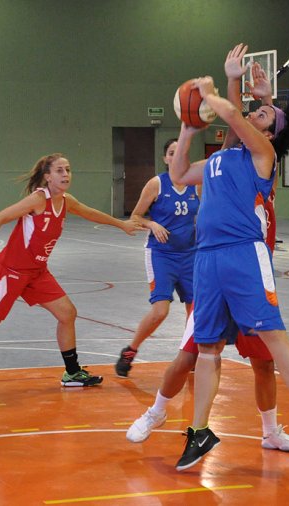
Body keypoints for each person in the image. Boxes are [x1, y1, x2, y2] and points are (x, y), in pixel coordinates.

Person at [169, 43, 289, 471]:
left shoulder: (264, 155)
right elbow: (180, 174)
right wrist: (187, 127)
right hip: (207, 258)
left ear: (270, 133)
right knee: (207, 349)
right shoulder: (222, 159)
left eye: (265, 117)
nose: (257, 114)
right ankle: (199, 431)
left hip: (243, 254)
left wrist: (213, 90)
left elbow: (236, 116)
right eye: (258, 112)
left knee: (273, 337)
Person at [126, 175, 289, 453]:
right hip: (217, 282)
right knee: (188, 357)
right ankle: (156, 412)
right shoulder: (226, 192)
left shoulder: (265, 192)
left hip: (251, 287)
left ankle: (270, 433)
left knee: (264, 364)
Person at [0, 153, 142, 390]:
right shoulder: (38, 200)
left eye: (68, 169)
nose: (66, 174)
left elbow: (91, 213)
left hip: (37, 272)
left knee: (67, 313)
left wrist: (122, 224)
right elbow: (0, 217)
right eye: (59, 170)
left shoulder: (67, 201)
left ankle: (72, 372)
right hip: (12, 271)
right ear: (47, 177)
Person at [114, 138, 197, 378]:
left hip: (190, 254)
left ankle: (188, 354)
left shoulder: (196, 184)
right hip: (161, 254)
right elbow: (136, 216)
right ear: (165, 158)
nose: (175, 156)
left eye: (179, 152)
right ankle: (131, 350)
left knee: (195, 310)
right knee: (161, 311)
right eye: (171, 153)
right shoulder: (156, 184)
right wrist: (153, 224)